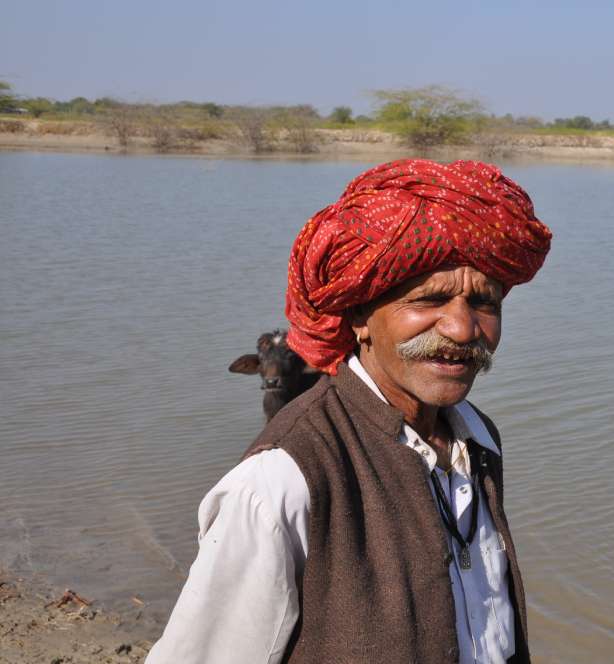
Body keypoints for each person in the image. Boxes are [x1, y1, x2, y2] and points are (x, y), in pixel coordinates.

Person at [147, 159, 552, 664]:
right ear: (359, 315)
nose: (463, 329)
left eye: (485, 304)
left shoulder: (478, 439)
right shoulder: (281, 480)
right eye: (429, 300)